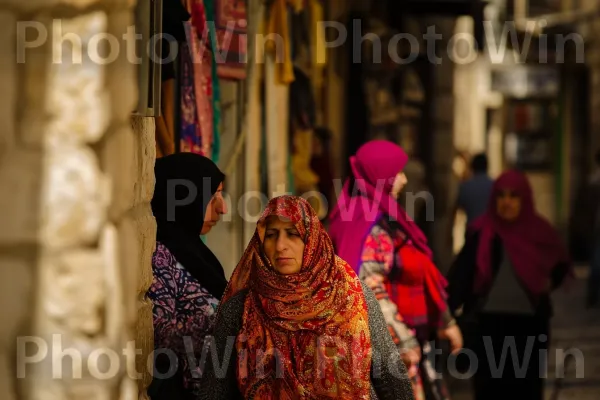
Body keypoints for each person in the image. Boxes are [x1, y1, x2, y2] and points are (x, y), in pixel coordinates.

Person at [199, 195, 414, 400]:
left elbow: (391, 377)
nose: (281, 245)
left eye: (293, 234)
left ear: (312, 240)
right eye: (272, 235)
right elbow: (215, 390)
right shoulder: (241, 309)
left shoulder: (353, 297)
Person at [328, 140, 462, 400]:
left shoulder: (363, 214)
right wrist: (402, 342)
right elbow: (369, 290)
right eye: (397, 173)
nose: (402, 180)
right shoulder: (369, 223)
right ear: (381, 176)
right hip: (382, 351)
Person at [447, 170, 572, 400]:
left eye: (514, 196)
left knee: (527, 389)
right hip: (489, 328)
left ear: (524, 199)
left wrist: (546, 283)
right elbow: (460, 278)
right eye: (501, 196)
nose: (507, 202)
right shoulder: (482, 232)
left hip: (530, 327)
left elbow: (560, 263)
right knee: (489, 390)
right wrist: (446, 318)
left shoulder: (539, 232)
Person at [147, 153, 228, 399]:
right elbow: (160, 342)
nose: (222, 208)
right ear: (181, 198)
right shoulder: (161, 259)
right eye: (212, 196)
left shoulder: (198, 256)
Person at [453, 153, 494, 228]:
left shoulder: (465, 187)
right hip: (490, 231)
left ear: (472, 167)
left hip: (472, 230)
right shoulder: (494, 186)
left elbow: (457, 207)